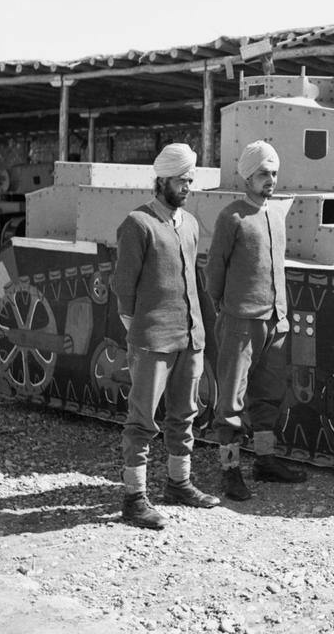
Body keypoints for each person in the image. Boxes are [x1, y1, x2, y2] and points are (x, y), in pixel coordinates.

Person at [112, 143, 220, 529]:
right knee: (141, 420)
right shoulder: (137, 224)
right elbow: (124, 290)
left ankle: (179, 483)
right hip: (152, 340)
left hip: (190, 337)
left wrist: (199, 332)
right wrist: (140, 334)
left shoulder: (190, 225)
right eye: (181, 180)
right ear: (161, 181)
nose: (187, 186)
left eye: (190, 179)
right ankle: (134, 499)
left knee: (184, 414)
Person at [205, 140, 306, 501]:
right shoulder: (231, 216)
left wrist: (281, 314)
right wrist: (226, 308)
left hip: (275, 320)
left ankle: (265, 460)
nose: (271, 180)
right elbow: (213, 271)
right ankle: (230, 471)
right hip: (240, 321)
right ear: (247, 176)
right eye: (263, 173)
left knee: (269, 394)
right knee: (231, 398)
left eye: (274, 173)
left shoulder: (276, 215)